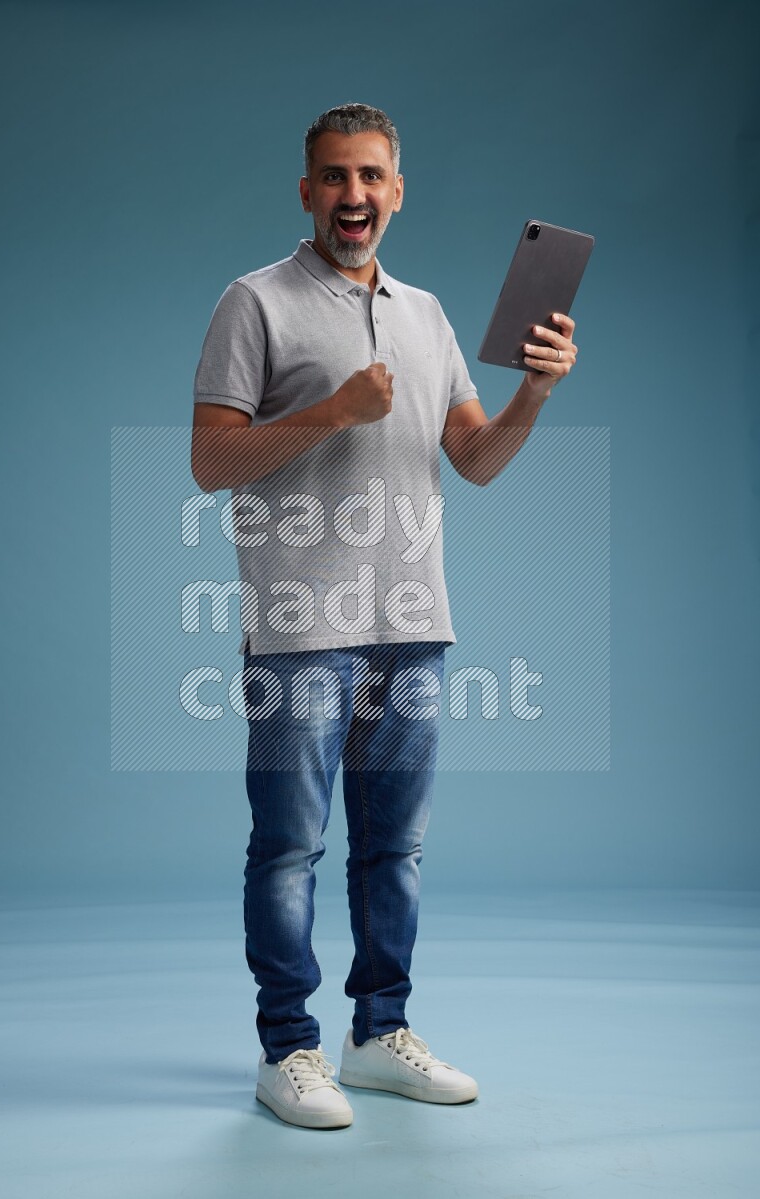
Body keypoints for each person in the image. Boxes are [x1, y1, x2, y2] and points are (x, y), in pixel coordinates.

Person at [191, 103, 578, 1130]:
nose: (351, 196)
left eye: (370, 177)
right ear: (306, 191)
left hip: (411, 619)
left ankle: (375, 1032)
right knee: (288, 846)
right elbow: (208, 459)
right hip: (297, 623)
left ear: (395, 190)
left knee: (392, 848)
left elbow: (475, 459)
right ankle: (289, 1048)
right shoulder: (253, 303)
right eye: (332, 177)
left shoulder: (429, 315)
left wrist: (532, 394)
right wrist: (330, 411)